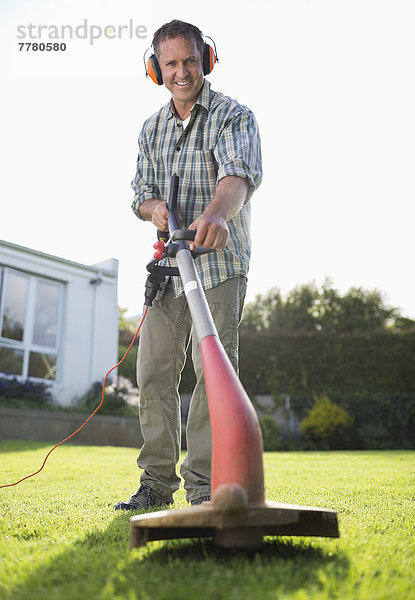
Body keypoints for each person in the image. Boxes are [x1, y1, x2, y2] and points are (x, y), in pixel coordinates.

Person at [114, 19, 262, 510]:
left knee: (211, 374)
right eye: (171, 63)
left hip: (218, 265)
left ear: (207, 61)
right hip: (168, 268)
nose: (182, 72)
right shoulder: (151, 128)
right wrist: (155, 209)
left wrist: (216, 213)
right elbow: (141, 195)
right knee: (154, 370)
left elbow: (237, 176)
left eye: (190, 61)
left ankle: (203, 489)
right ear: (156, 68)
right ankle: (155, 485)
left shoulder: (232, 116)